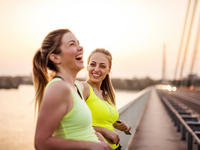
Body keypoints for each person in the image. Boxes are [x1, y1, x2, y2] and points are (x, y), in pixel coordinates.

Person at [32, 29, 113, 150]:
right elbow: (41, 143)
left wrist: (100, 140)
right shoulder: (58, 87)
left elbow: (80, 130)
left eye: (78, 43)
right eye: (72, 44)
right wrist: (90, 146)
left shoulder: (76, 88)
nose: (80, 47)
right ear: (55, 58)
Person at [81, 48, 131, 150]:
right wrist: (103, 131)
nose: (96, 69)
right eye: (93, 64)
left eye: (102, 66)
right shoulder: (84, 88)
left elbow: (98, 116)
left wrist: (116, 124)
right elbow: (71, 125)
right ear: (87, 66)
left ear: (109, 70)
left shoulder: (106, 94)